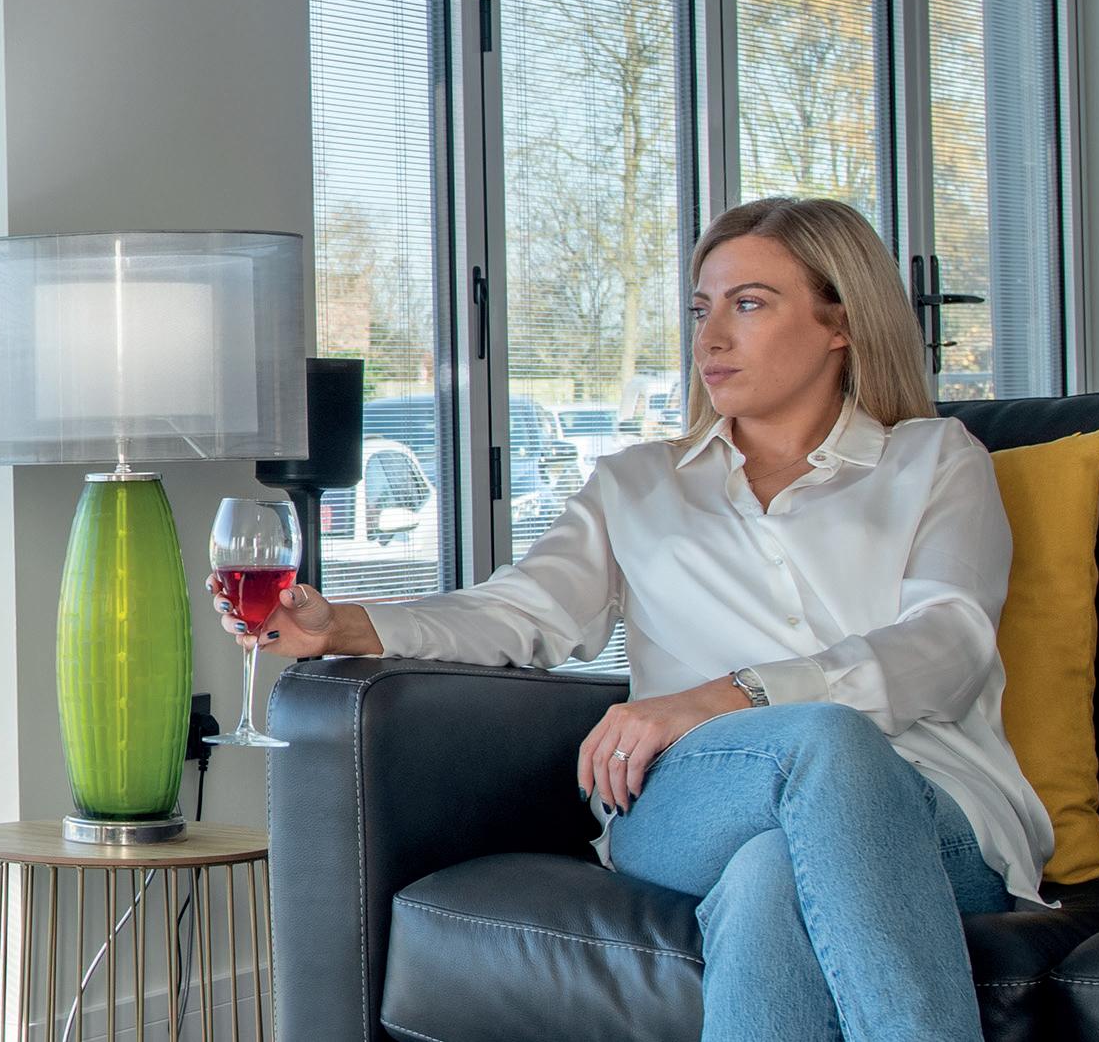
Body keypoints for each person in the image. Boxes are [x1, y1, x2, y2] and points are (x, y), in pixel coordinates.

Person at [229, 196, 1051, 1042]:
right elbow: (521, 611)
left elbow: (948, 643)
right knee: (820, 747)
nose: (711, 337)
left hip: (928, 807)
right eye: (701, 308)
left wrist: (727, 694)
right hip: (694, 799)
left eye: (749, 303)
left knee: (775, 868)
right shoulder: (637, 483)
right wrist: (349, 626)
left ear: (839, 321)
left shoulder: (934, 459)